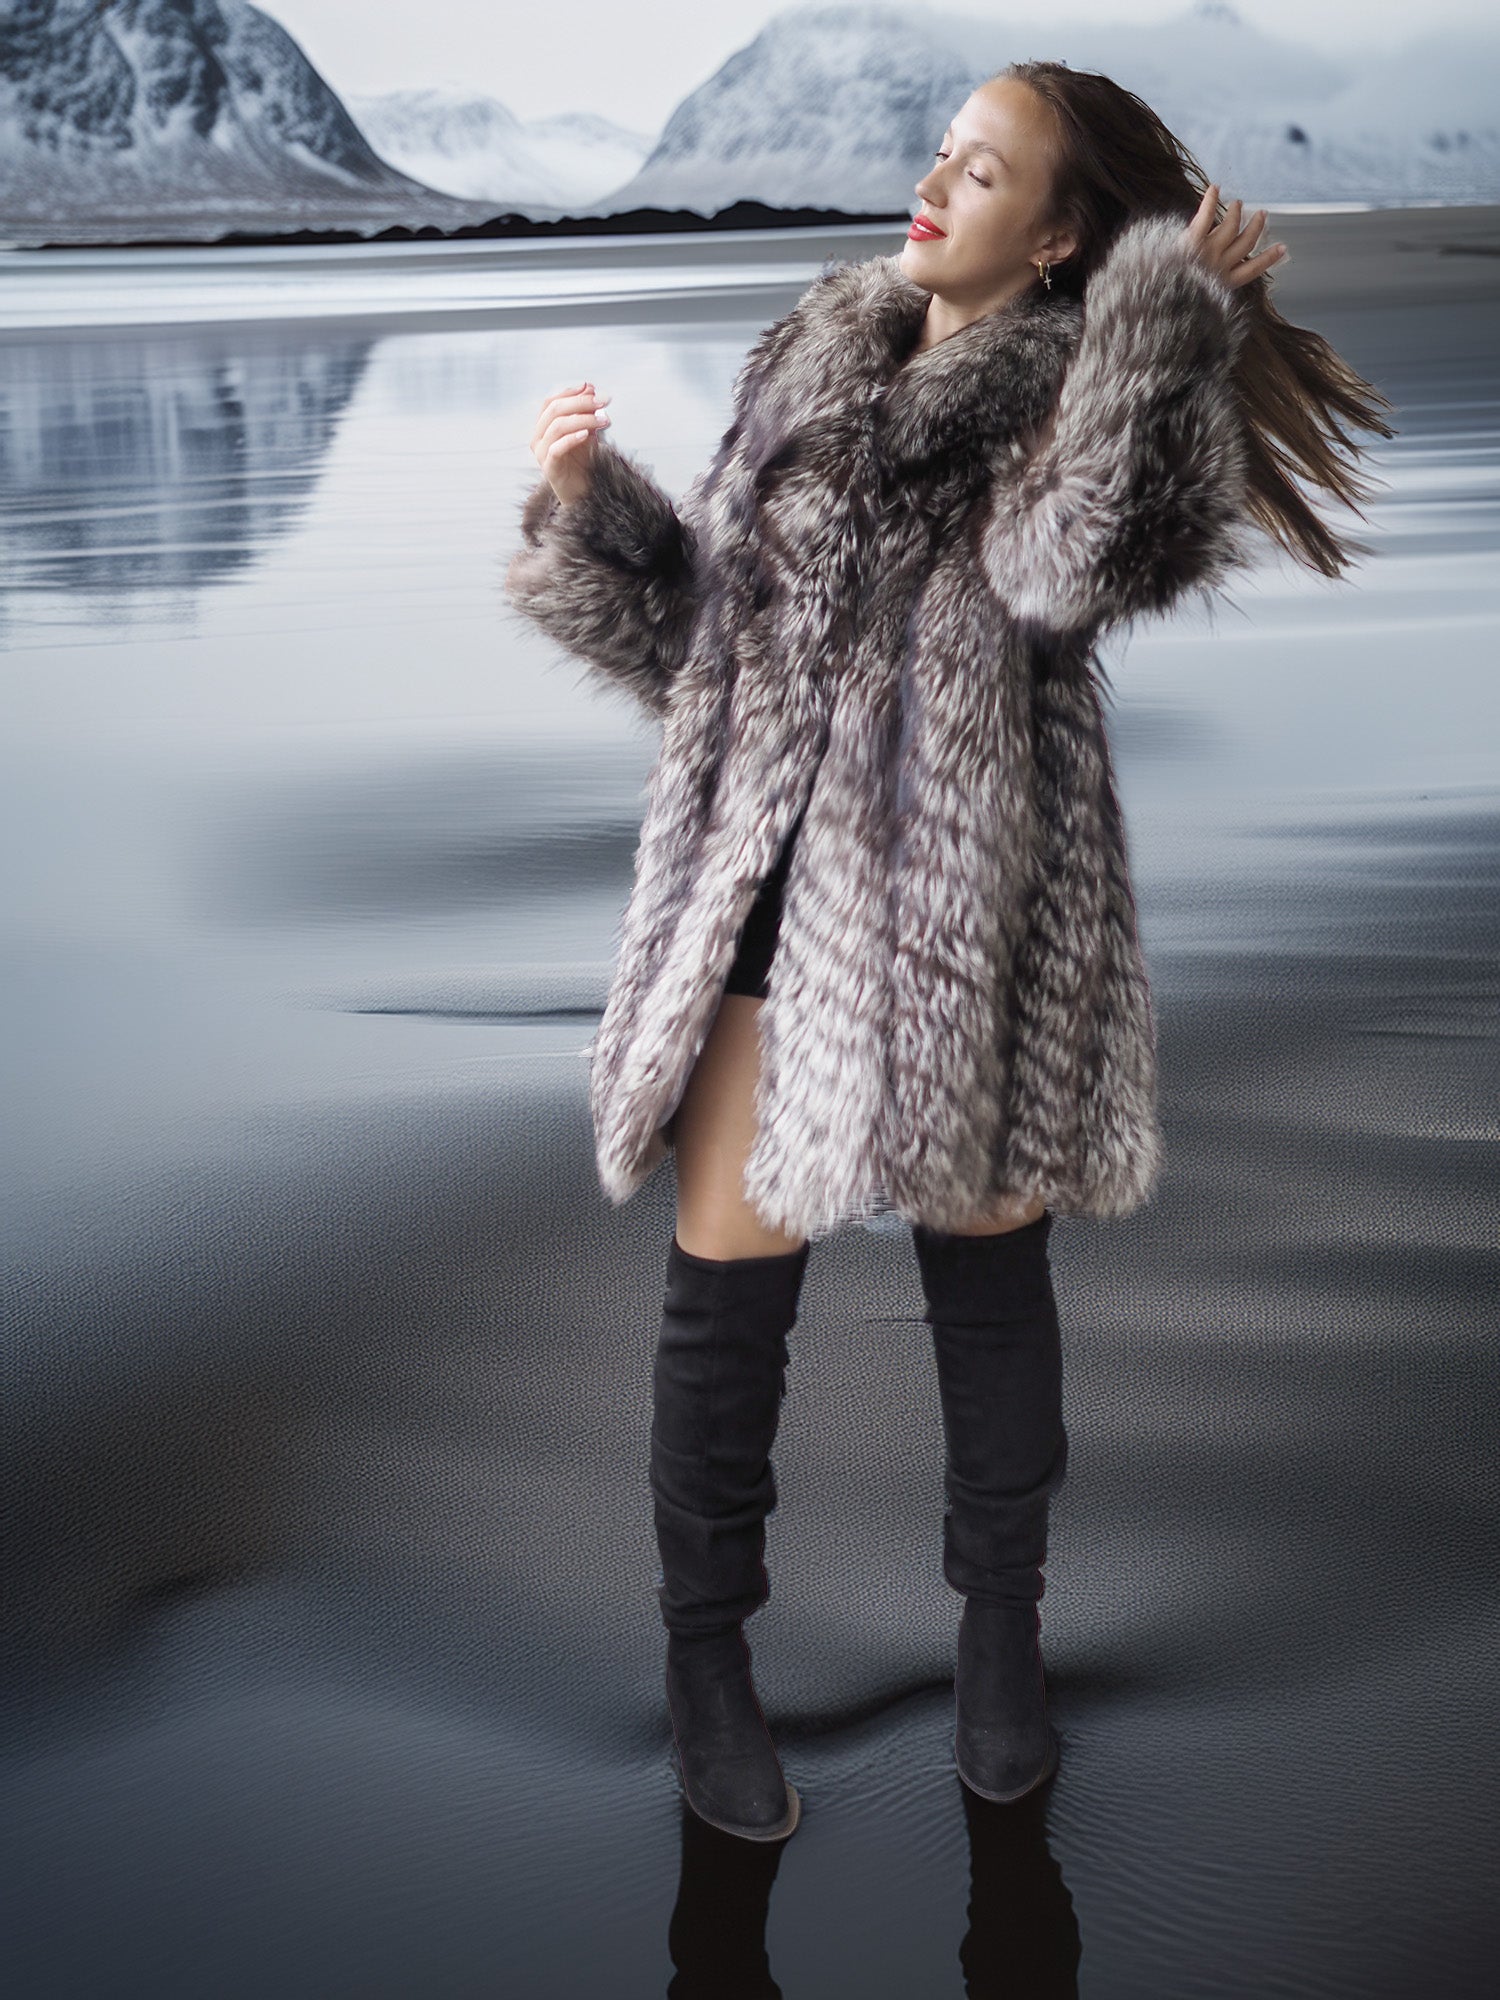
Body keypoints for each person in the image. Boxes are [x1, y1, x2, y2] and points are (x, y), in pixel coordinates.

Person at [503, 61, 1392, 1842]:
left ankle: (1003, 1641)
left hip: (970, 909)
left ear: (1056, 235)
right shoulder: (813, 349)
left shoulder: (1084, 399)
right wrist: (596, 506)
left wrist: (1160, 330)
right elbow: (707, 640)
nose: (935, 188)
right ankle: (707, 1667)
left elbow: (1080, 559)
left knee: (990, 1295)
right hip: (763, 884)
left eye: (982, 175)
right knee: (722, 1307)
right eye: (939, 157)